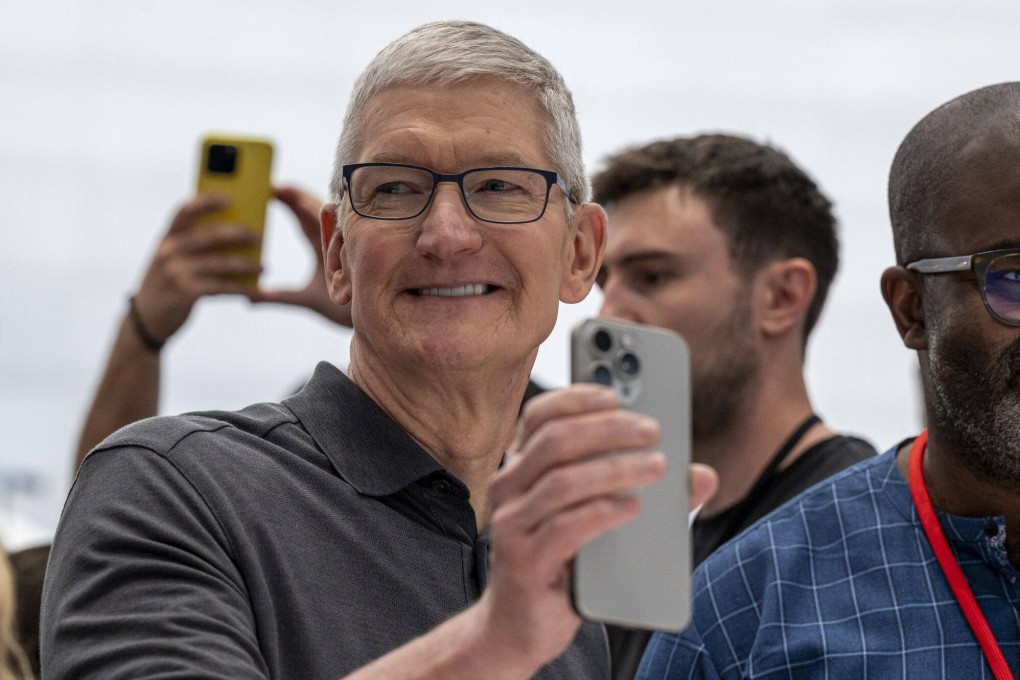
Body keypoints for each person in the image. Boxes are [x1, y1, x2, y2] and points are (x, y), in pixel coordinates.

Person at [41, 20, 716, 679]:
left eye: (499, 187)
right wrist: (491, 646)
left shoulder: (566, 565)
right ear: (338, 253)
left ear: (580, 253)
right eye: (395, 189)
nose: (446, 234)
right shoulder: (169, 488)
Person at [638, 82, 1020, 678]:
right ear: (912, 309)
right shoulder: (746, 613)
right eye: (1013, 278)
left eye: (654, 276)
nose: (614, 310)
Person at [592, 135, 876, 678]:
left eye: (652, 276)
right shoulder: (649, 553)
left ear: (781, 297)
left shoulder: (854, 534)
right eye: (605, 282)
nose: (609, 316)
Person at [74, 185, 350, 469]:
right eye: (387, 191)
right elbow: (106, 491)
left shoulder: (340, 417)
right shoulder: (320, 422)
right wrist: (142, 331)